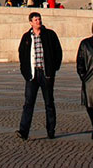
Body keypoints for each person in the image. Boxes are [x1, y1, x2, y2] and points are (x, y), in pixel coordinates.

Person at [16, 11, 63, 140]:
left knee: (49, 102)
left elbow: (58, 51)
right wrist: (25, 72)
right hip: (32, 74)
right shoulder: (26, 37)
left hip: (46, 73)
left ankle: (51, 130)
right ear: (30, 22)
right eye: (36, 20)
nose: (38, 21)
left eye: (39, 19)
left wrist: (53, 69)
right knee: (28, 103)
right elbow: (22, 55)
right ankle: (23, 131)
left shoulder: (50, 34)